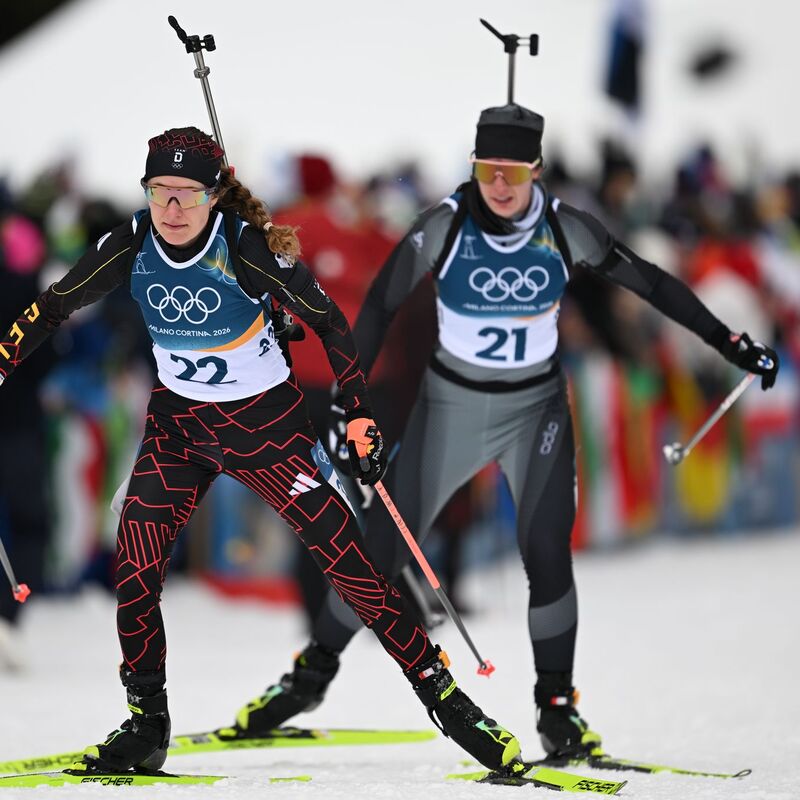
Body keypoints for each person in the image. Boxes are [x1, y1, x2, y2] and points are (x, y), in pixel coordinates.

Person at [231, 104, 780, 759]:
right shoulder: (444, 224)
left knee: (546, 553)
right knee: (378, 555)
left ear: (535, 171)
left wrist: (728, 341)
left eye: (512, 173)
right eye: (487, 170)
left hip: (534, 411)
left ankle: (558, 709)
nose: (498, 184)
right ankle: (309, 677)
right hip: (452, 408)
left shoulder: (566, 228)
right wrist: (353, 398)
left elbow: (652, 283)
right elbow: (379, 304)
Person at [0, 127, 522, 775]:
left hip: (267, 433)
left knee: (352, 567)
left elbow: (331, 322)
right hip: (179, 430)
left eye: (188, 194)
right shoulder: (132, 243)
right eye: (159, 192)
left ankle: (447, 701)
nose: (172, 209)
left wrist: (357, 413)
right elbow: (52, 307)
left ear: (214, 195)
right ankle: (146, 722)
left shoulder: (245, 248)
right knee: (135, 563)